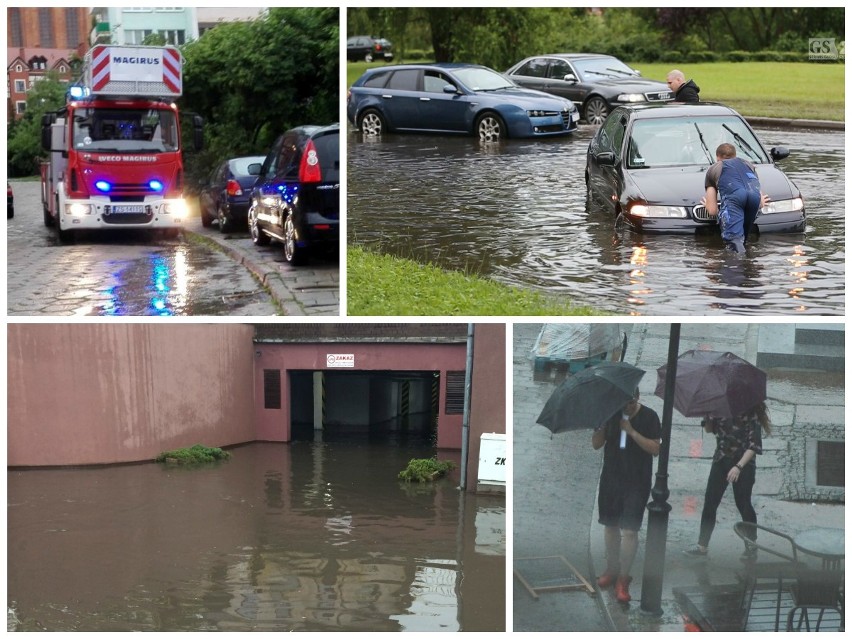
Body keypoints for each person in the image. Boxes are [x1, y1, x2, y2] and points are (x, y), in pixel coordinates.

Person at [592, 388, 661, 603]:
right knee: (610, 526)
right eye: (623, 404)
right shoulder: (610, 414)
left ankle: (624, 577)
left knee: (630, 531)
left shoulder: (649, 416)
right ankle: (611, 569)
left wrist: (631, 431)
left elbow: (655, 448)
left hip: (636, 482)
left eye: (631, 403)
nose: (627, 408)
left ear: (637, 398)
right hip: (612, 478)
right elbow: (596, 444)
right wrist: (602, 424)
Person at [684, 402, 771, 558]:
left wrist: (738, 467)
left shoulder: (750, 412)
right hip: (721, 460)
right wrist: (708, 418)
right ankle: (702, 546)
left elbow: (754, 446)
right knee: (710, 502)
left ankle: (751, 545)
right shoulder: (719, 406)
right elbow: (710, 430)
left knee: (743, 503)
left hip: (743, 464)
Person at [702, 143, 770, 253]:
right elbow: (760, 201)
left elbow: (713, 211)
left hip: (735, 197)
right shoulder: (748, 165)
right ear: (735, 155)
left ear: (717, 157)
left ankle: (736, 267)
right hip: (754, 198)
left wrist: (707, 205)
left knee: (734, 240)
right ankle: (749, 266)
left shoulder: (714, 168)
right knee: (744, 239)